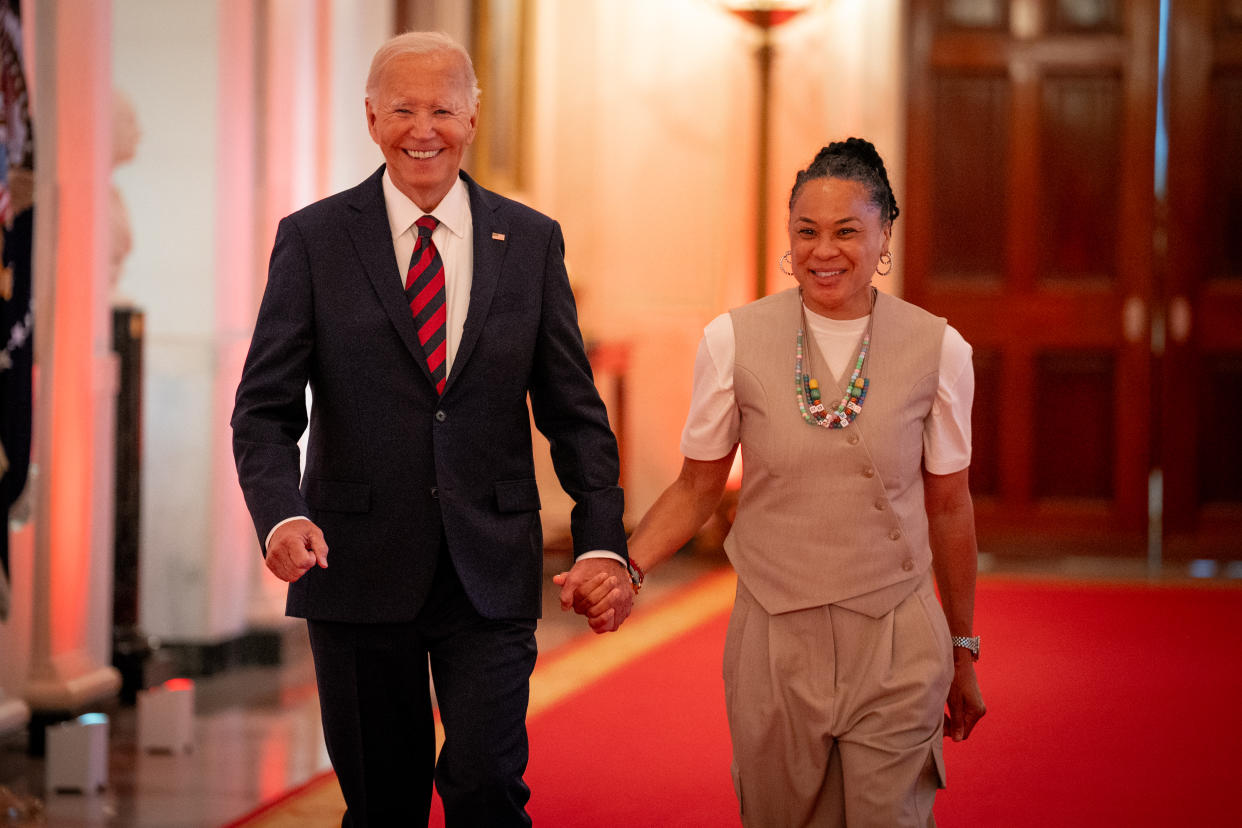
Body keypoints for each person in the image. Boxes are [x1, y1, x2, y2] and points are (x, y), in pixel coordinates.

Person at [231, 31, 634, 827]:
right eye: (404, 110)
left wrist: (601, 540)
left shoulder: (530, 241)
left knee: (487, 784)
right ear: (372, 119)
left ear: (474, 118)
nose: (424, 129)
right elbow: (264, 408)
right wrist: (280, 513)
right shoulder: (313, 240)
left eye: (443, 109)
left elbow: (573, 411)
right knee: (385, 805)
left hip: (489, 566)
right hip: (353, 567)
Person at [564, 137, 986, 826]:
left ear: (884, 235)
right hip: (773, 638)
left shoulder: (941, 348)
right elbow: (698, 487)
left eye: (848, 231)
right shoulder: (733, 340)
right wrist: (626, 568)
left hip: (897, 639)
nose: (824, 250)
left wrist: (964, 650)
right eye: (807, 231)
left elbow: (949, 505)